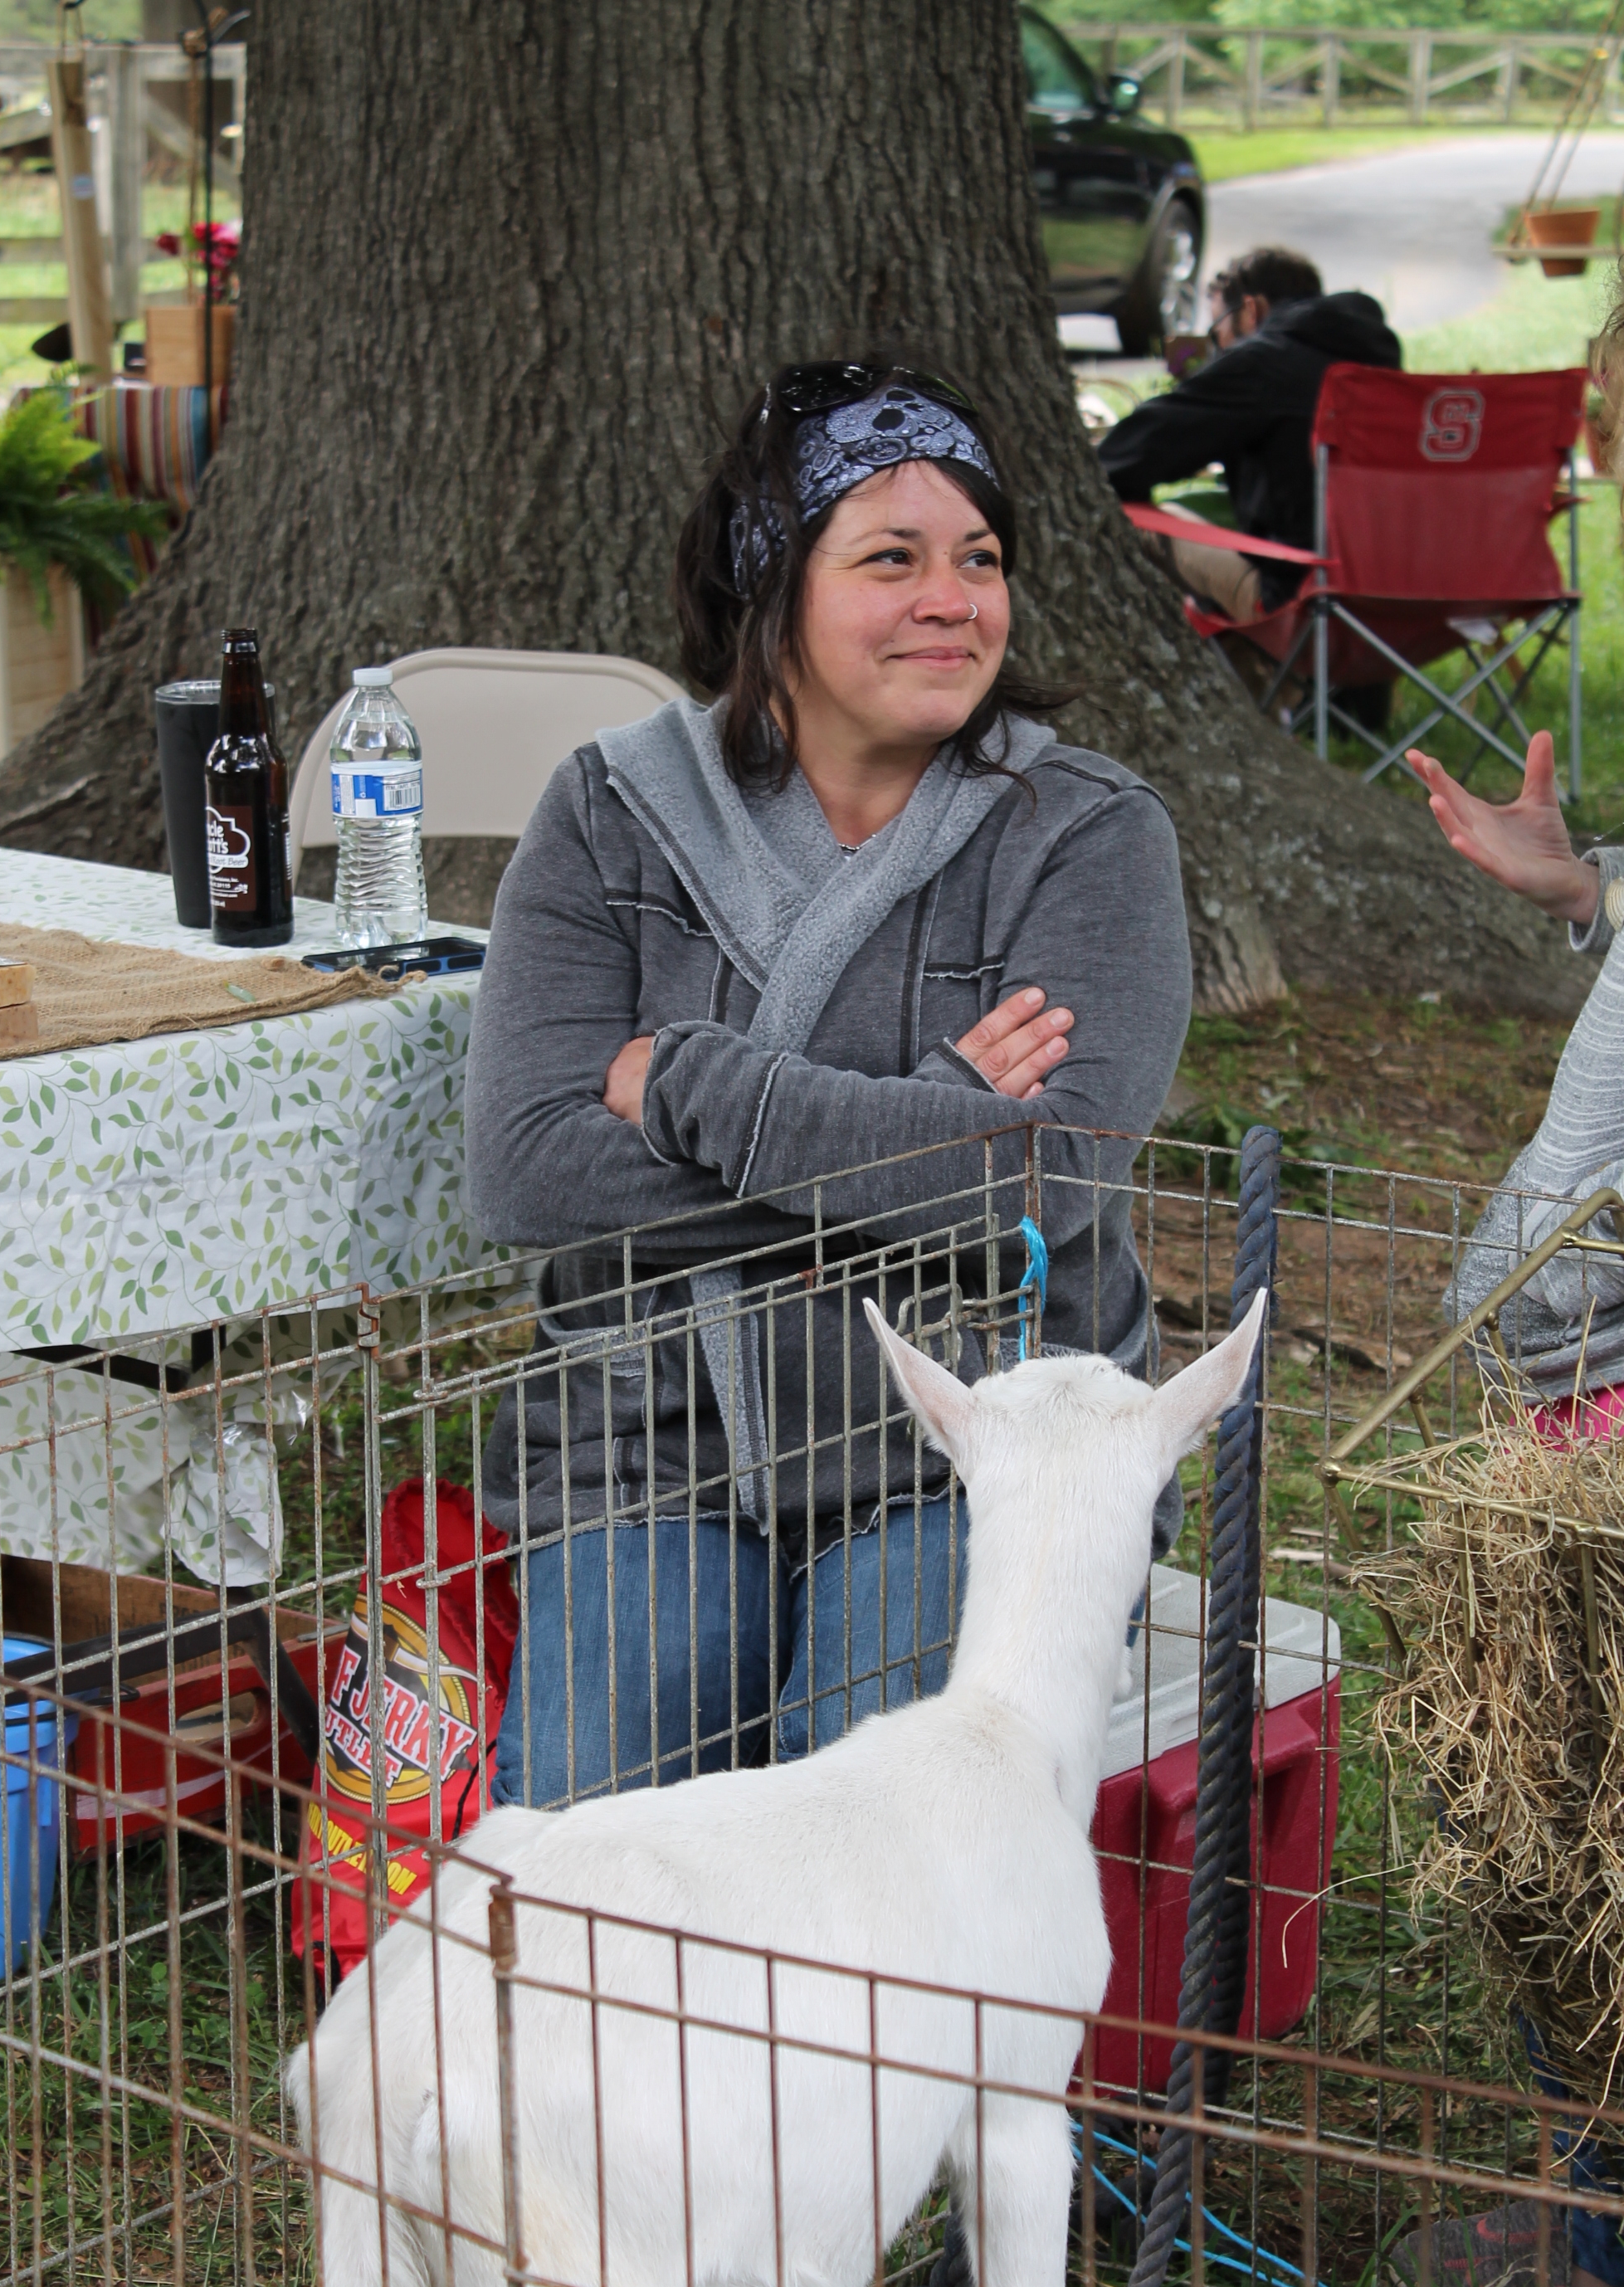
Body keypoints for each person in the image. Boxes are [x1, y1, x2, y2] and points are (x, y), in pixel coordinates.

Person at [465, 358, 1192, 1813]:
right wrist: (929, 1104)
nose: (953, 599)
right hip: (648, 1444)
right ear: (770, 590)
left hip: (973, 1448)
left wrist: (695, 1082)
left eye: (979, 559)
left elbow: (1045, 1186)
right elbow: (529, 1170)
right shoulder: (611, 809)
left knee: (880, 1875)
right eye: (892, 558)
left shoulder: (1087, 835)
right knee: (602, 1872)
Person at [1404, 725, 1624, 2287]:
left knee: (1580, 1829)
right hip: (1573, 1405)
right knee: (1563, 1831)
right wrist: (1592, 886)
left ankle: (1606, 2256)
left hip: (1593, 1380)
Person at [1096, 246, 1402, 624]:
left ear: (1251, 309)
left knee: (1131, 514)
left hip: (1302, 598)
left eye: (1217, 329)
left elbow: (1137, 454)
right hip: (1404, 593)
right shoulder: (1380, 359)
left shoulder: (1264, 361)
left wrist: (1088, 462)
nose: (1218, 346)